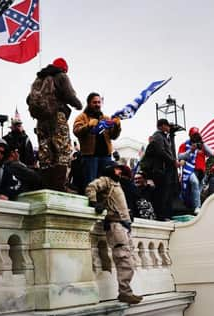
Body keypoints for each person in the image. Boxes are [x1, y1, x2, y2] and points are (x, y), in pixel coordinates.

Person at [85, 162, 143, 304]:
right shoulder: (106, 181)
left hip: (122, 225)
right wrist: (94, 203)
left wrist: (128, 216)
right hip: (115, 225)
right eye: (117, 169)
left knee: (128, 260)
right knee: (124, 259)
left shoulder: (116, 184)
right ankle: (125, 292)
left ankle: (126, 291)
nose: (119, 171)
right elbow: (91, 187)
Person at [27, 57, 82, 191]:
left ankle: (47, 184)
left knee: (45, 152)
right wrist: (78, 105)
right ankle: (59, 185)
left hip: (41, 121)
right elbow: (69, 95)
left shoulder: (38, 79)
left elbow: (29, 99)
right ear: (64, 69)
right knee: (62, 150)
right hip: (57, 117)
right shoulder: (61, 76)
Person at [73, 92, 121, 186]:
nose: (97, 105)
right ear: (89, 103)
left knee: (106, 184)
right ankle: (92, 201)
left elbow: (113, 136)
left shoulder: (106, 118)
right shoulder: (82, 117)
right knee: (91, 184)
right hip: (90, 157)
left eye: (99, 102)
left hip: (106, 156)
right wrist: (88, 126)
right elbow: (76, 131)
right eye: (94, 102)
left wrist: (117, 126)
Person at [141, 120, 178, 220]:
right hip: (157, 170)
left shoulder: (163, 137)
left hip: (161, 170)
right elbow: (160, 151)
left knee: (163, 193)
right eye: (167, 125)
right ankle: (160, 215)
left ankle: (162, 214)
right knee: (161, 193)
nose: (169, 127)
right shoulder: (158, 136)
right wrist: (172, 161)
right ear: (162, 126)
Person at [178, 127, 214, 213]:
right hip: (190, 170)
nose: (195, 137)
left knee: (197, 190)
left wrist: (202, 143)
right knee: (194, 182)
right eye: (194, 135)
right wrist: (191, 150)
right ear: (190, 135)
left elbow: (211, 153)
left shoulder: (201, 146)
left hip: (201, 172)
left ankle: (193, 207)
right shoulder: (184, 145)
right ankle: (198, 207)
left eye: (197, 135)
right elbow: (180, 157)